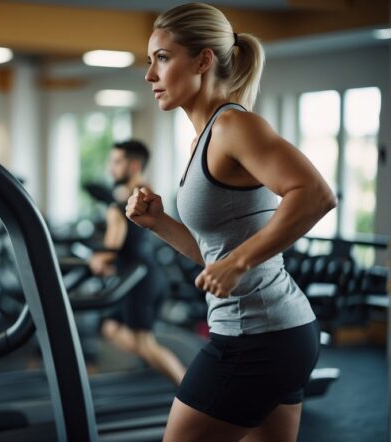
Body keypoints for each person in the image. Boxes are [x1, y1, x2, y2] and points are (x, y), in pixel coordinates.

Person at [125, 3, 336, 441]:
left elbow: (315, 195)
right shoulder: (206, 136)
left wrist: (239, 262)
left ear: (203, 59)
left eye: (162, 58)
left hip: (255, 339)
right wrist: (159, 222)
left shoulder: (233, 127)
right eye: (150, 61)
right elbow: (214, 254)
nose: (150, 76)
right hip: (279, 333)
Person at [89, 140, 186, 387]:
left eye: (117, 162)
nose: (111, 168)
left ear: (133, 166)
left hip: (137, 282)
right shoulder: (146, 195)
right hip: (148, 276)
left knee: (145, 344)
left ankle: (189, 388)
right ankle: (154, 367)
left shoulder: (119, 208)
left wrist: (96, 260)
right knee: (110, 326)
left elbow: (109, 253)